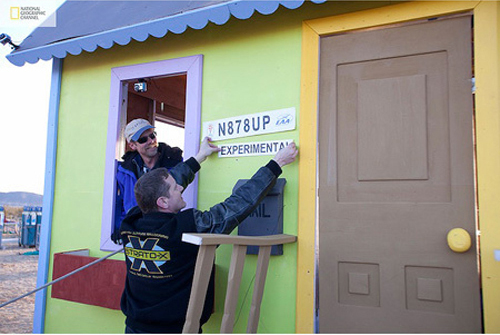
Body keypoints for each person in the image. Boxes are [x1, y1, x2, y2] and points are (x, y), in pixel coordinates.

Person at [120, 138, 298, 333]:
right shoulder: (186, 229)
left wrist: (199, 157)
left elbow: (165, 185)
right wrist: (276, 164)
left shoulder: (131, 222)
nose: (180, 187)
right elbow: (235, 206)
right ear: (162, 202)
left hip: (133, 327)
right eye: (175, 188)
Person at [113, 118, 183, 243]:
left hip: (168, 233)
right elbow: (121, 204)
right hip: (136, 235)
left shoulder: (176, 162)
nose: (151, 141)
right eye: (143, 139)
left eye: (152, 135)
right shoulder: (123, 171)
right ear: (133, 145)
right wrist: (120, 229)